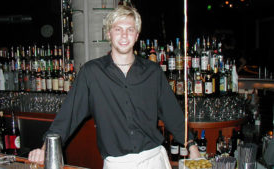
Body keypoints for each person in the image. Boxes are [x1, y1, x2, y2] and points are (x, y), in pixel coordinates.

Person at [28, 5, 200, 169]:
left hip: (153, 160)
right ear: (109, 33)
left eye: (130, 29)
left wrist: (192, 146)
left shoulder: (153, 72)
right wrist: (45, 149)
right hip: (117, 164)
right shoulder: (91, 73)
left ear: (137, 35)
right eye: (118, 29)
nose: (124, 35)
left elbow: (173, 115)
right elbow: (67, 117)